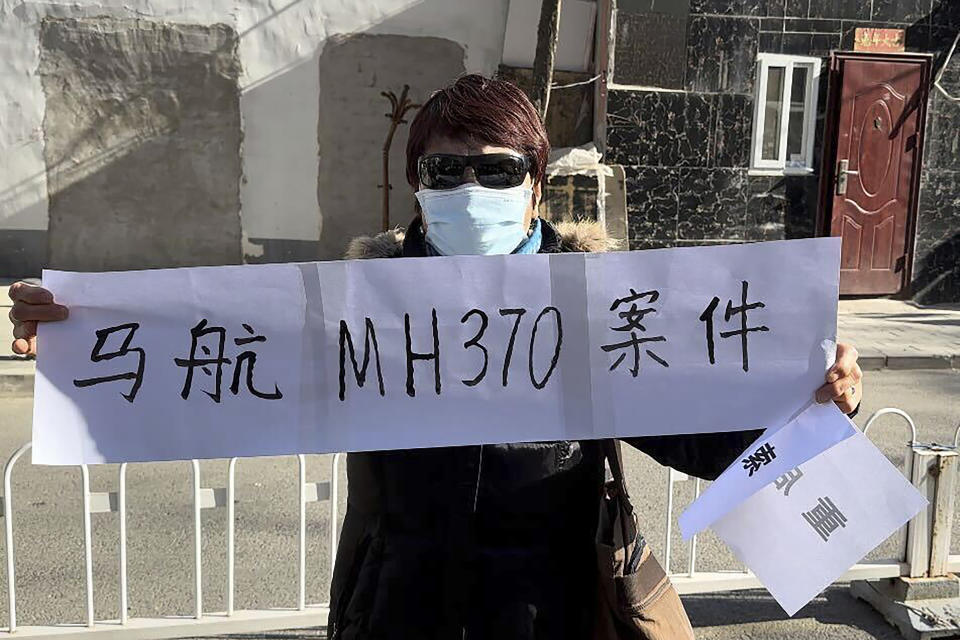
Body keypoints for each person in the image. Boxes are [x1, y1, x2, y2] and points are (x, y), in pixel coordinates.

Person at [8, 74, 863, 640]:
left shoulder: (598, 305)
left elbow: (705, 441)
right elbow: (223, 369)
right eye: (444, 170)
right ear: (417, 181)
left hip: (553, 614)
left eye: (495, 172)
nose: (469, 191)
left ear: (536, 182)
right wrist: (80, 336)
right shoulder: (358, 301)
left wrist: (811, 396)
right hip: (396, 609)